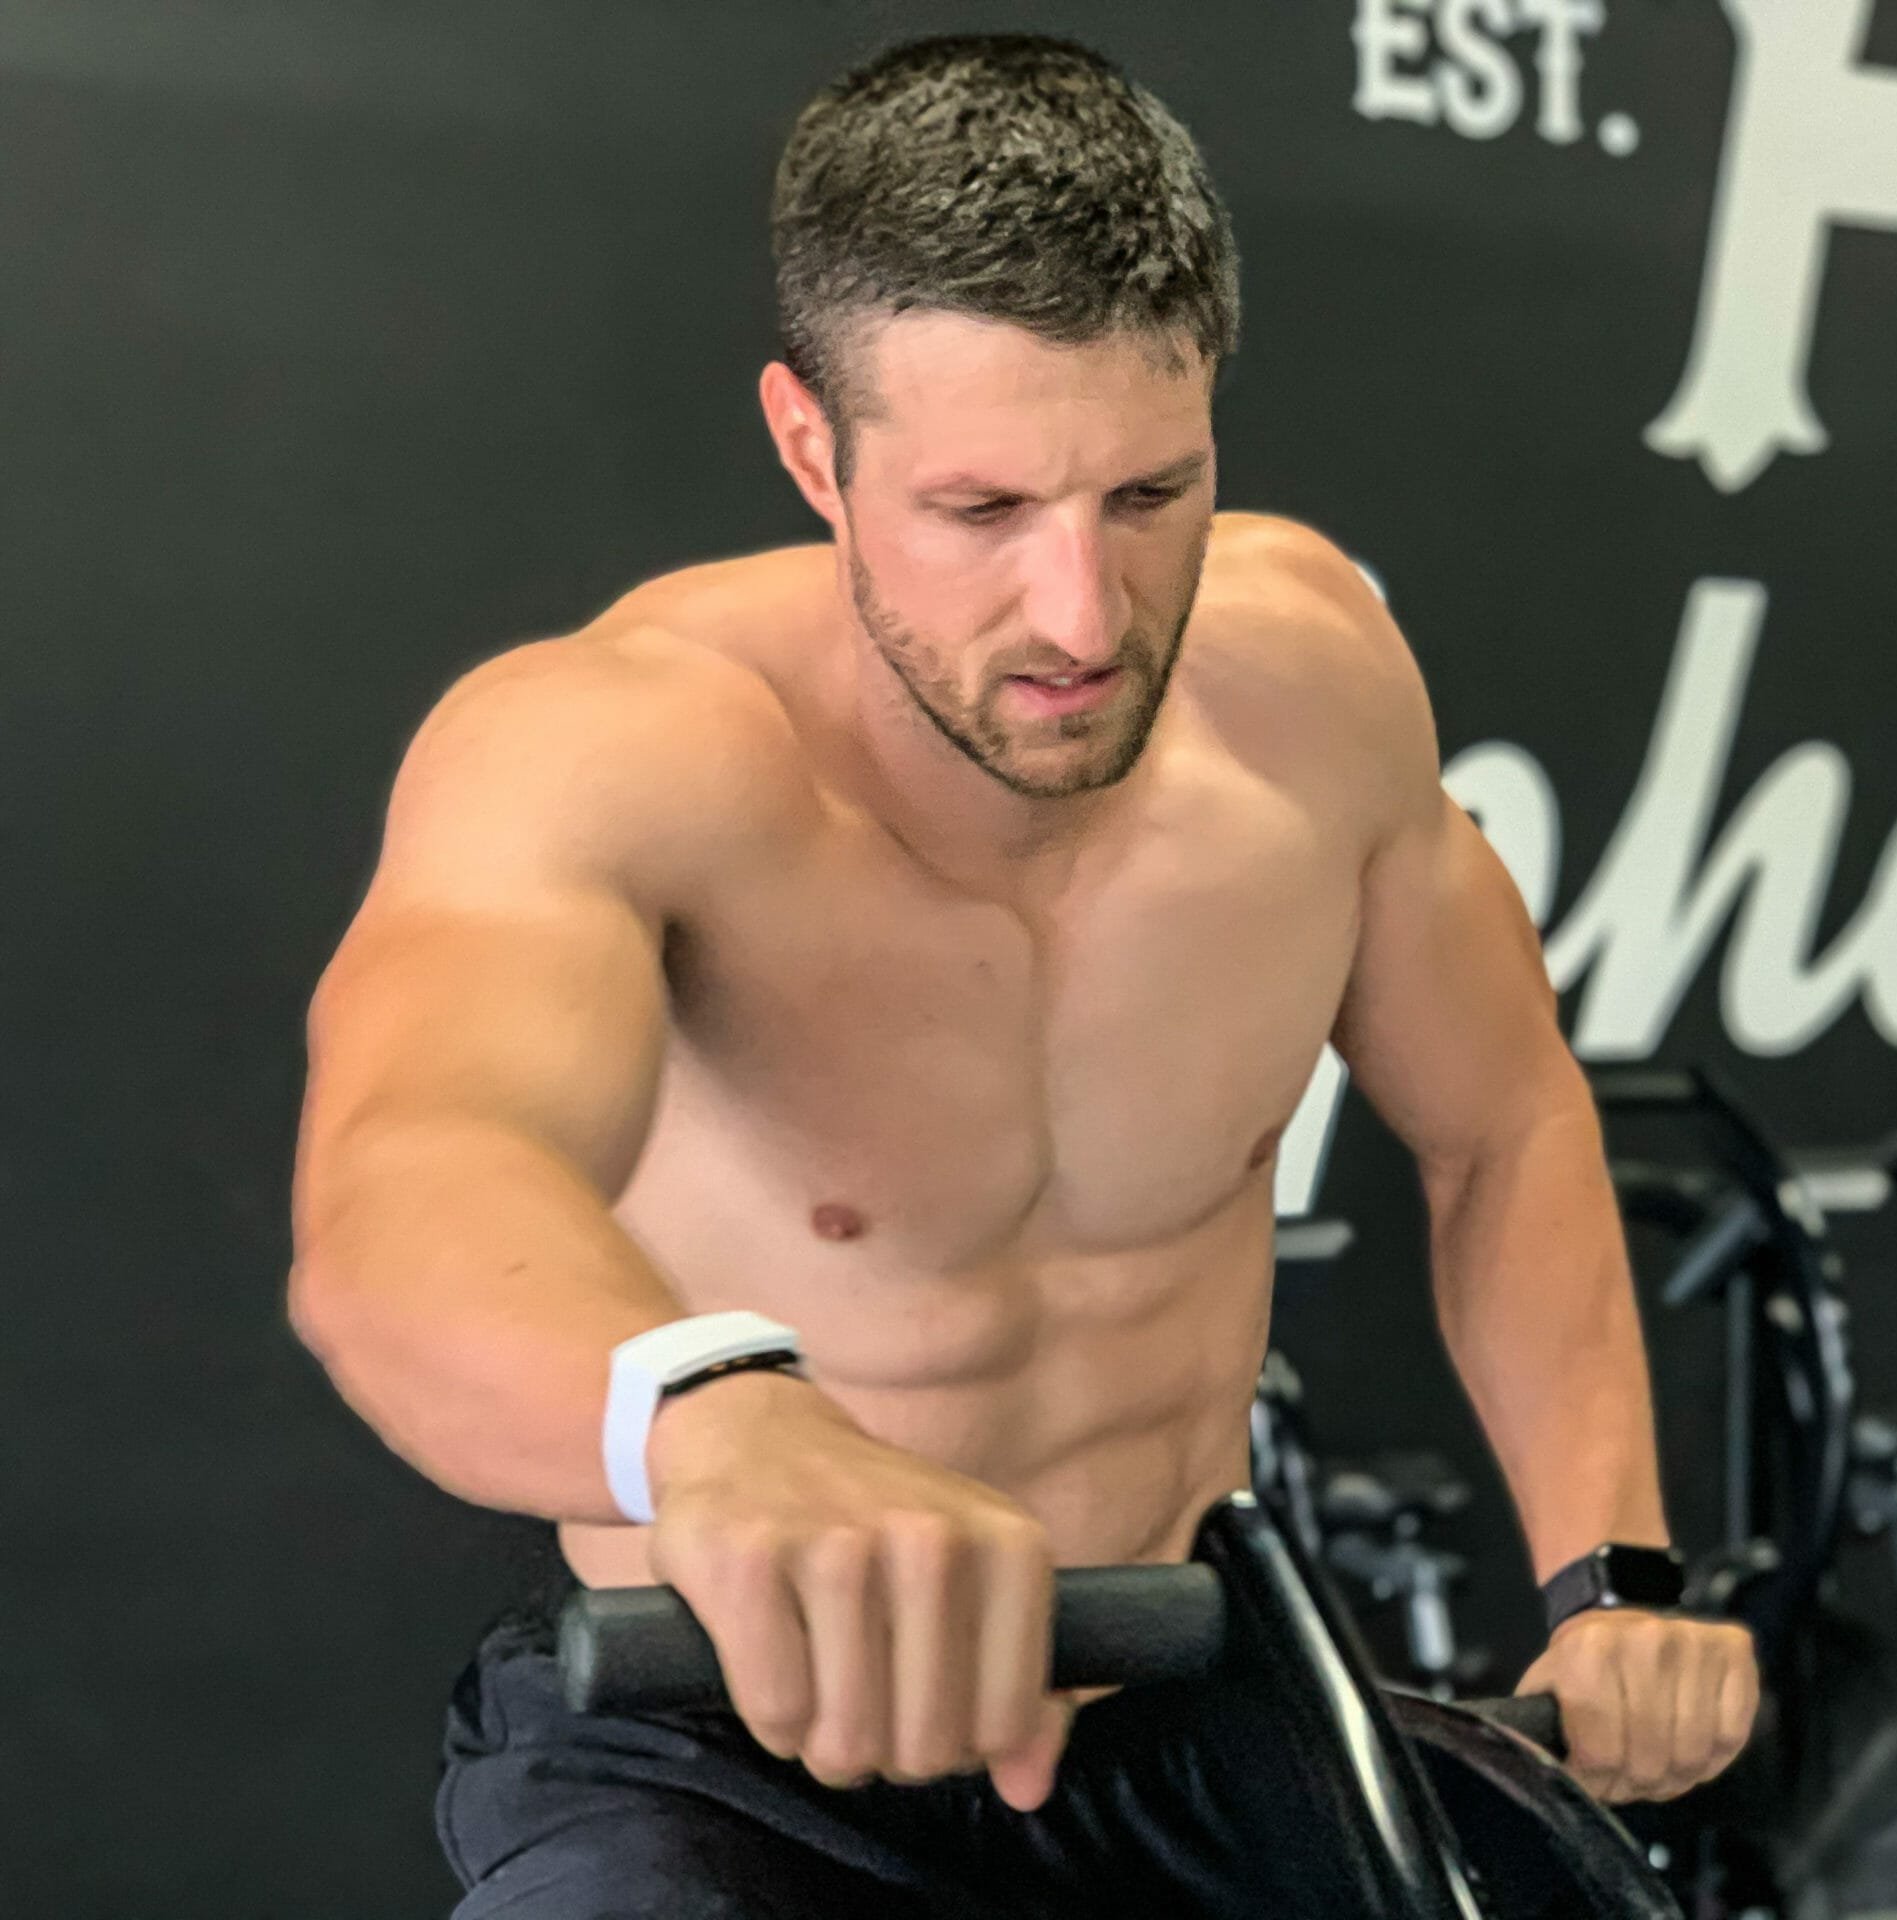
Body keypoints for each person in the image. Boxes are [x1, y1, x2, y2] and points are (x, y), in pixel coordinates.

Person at [289, 32, 1757, 1918]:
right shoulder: (612, 751)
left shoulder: (1313, 687)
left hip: (1177, 1689)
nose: (1082, 615)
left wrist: (1608, 1576)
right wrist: (721, 1424)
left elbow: (1502, 1124)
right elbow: (405, 1185)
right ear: (814, 450)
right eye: (982, 515)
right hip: (721, 1738)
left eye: (1150, 499)